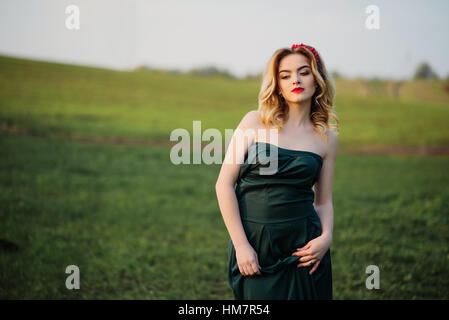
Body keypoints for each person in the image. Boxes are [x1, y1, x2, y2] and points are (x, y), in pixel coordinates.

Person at [215, 43, 339, 300]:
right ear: (278, 84)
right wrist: (241, 245)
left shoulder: (326, 138)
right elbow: (223, 185)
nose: (295, 79)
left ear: (317, 80)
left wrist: (326, 238)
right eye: (285, 75)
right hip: (255, 246)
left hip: (305, 249)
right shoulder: (253, 122)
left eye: (304, 72)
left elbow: (324, 201)